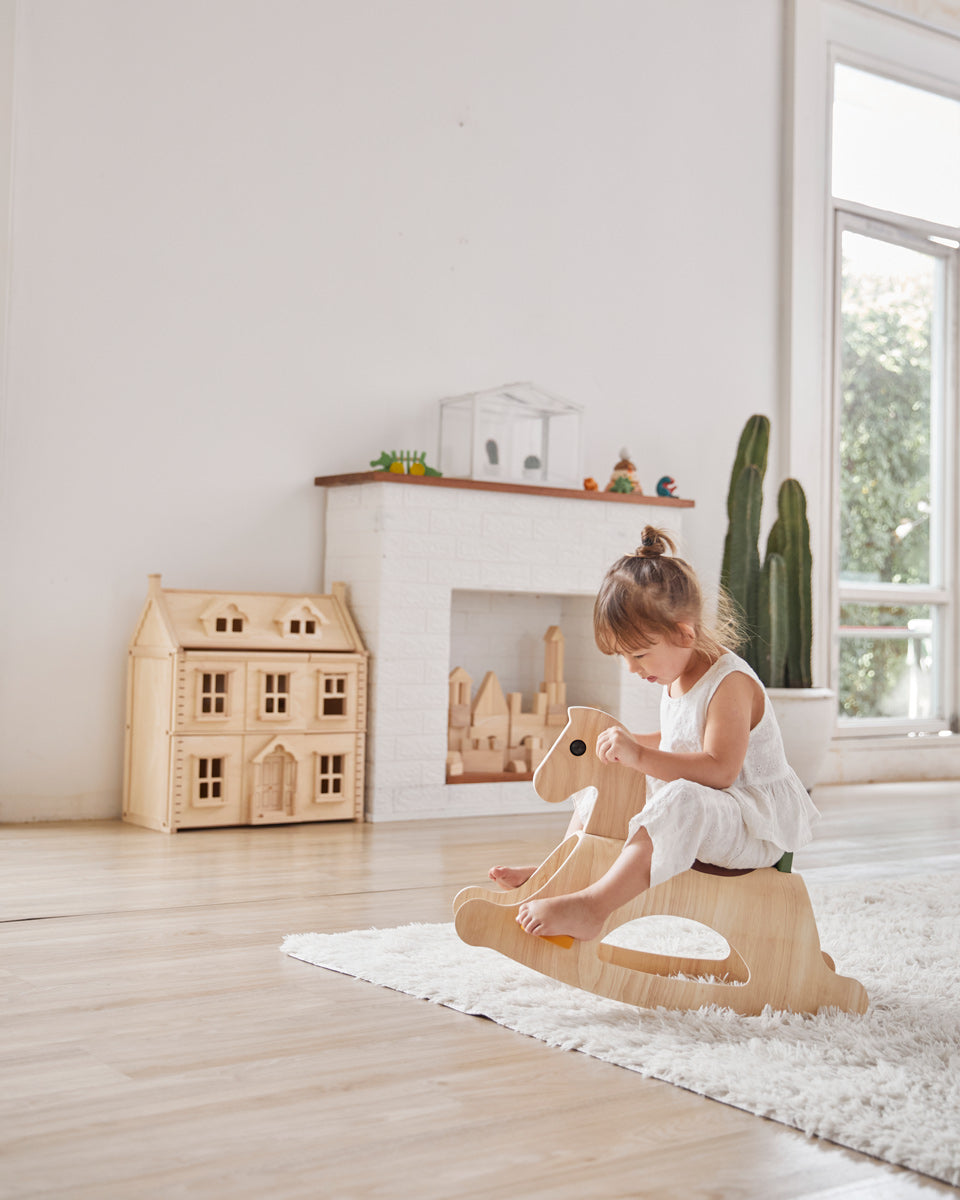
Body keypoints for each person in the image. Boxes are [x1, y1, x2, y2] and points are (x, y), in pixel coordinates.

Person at [488, 525, 820, 943]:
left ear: (685, 632)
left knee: (680, 798)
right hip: (712, 809)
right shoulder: (677, 672)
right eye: (624, 657)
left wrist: (640, 757)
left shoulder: (730, 682)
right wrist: (623, 742)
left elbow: (719, 770)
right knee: (603, 782)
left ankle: (593, 908)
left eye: (640, 654)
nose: (632, 668)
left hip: (752, 827)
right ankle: (564, 867)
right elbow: (678, 741)